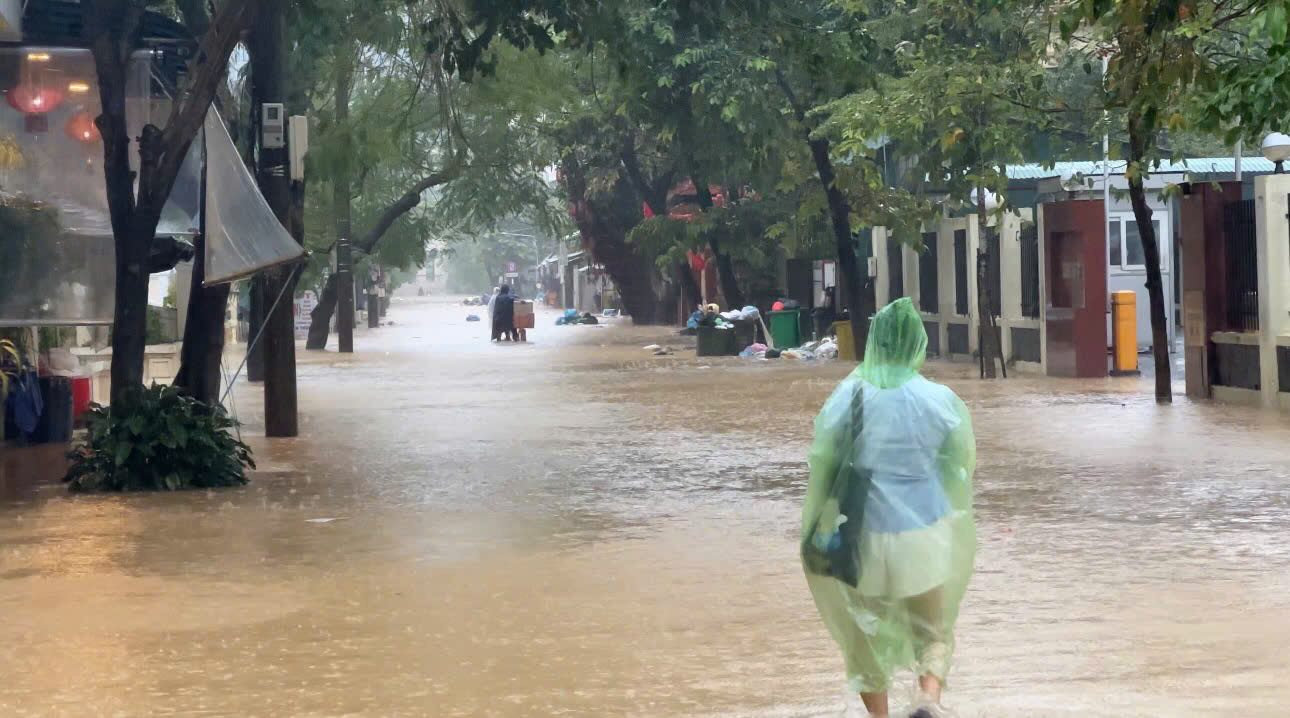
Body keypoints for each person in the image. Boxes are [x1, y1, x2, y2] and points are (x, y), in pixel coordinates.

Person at [800, 298, 976, 718]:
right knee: (933, 632)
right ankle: (928, 700)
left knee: (865, 638)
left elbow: (822, 462)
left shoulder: (849, 395)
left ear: (875, 340)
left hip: (866, 541)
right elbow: (962, 465)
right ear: (917, 342)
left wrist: (815, 525)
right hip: (927, 534)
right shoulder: (940, 400)